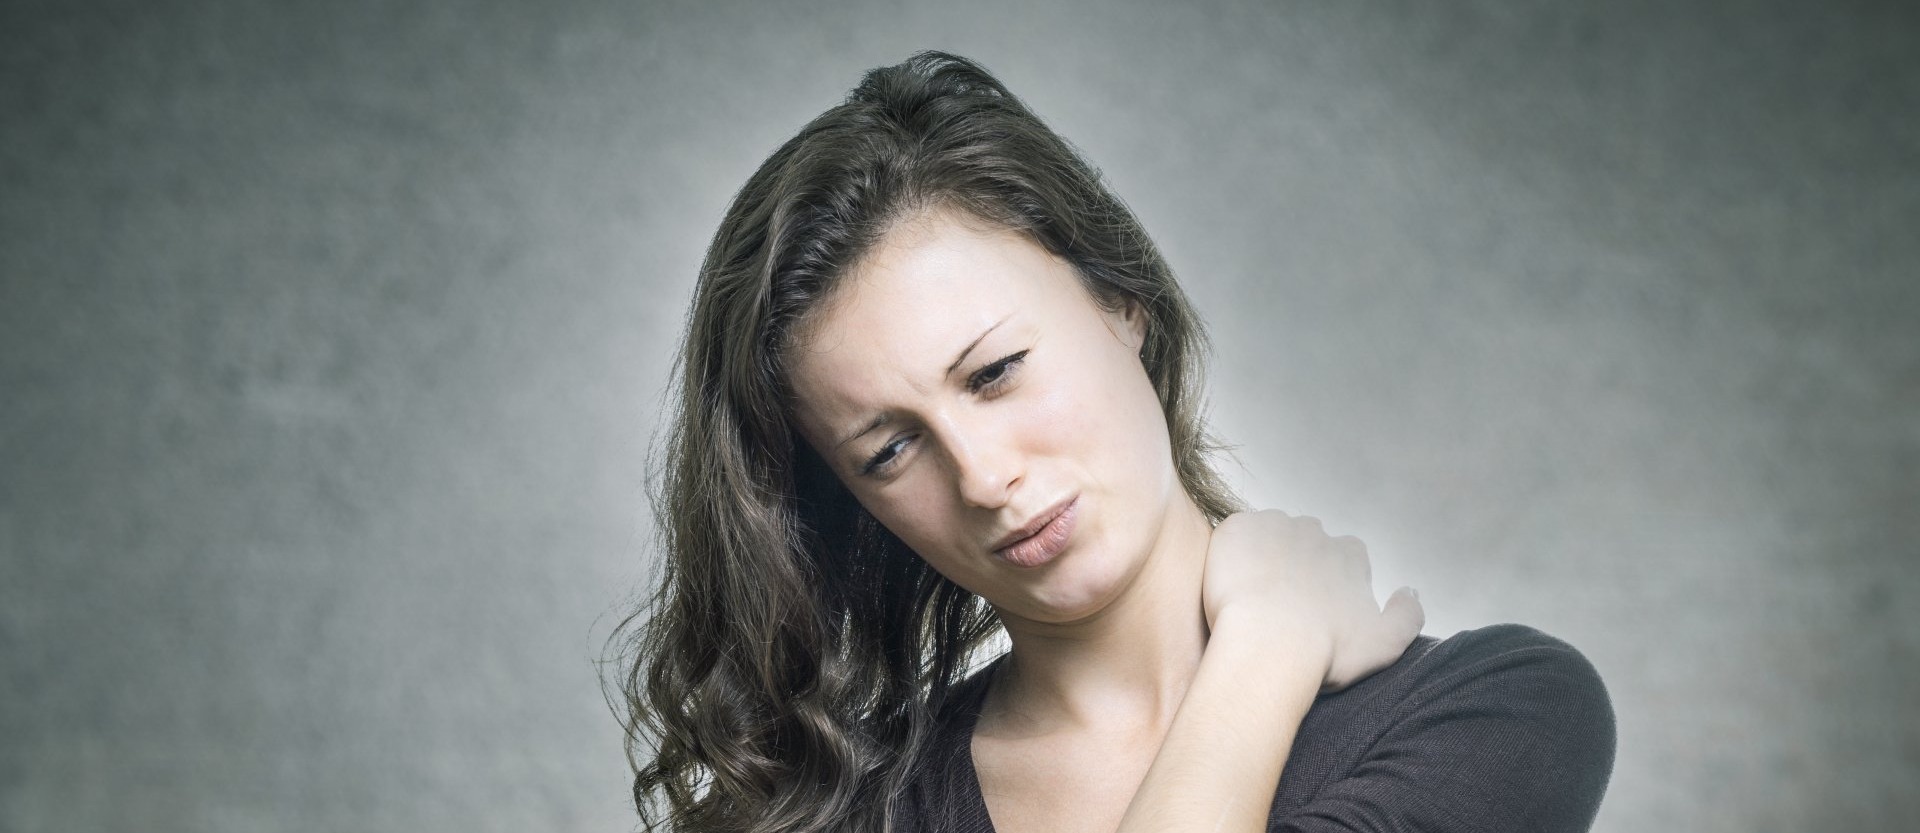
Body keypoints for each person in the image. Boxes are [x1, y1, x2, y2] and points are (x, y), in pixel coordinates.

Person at [611, 51, 1615, 833]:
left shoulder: (1497, 714)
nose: (984, 476)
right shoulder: (849, 816)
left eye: (996, 371)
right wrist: (1269, 639)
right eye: (889, 451)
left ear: (1119, 298)